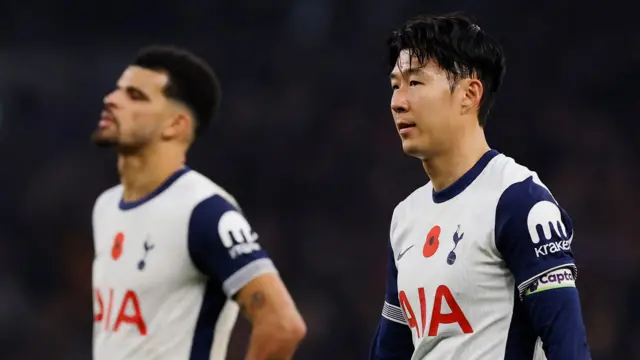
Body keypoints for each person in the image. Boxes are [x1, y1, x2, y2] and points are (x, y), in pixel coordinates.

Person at [369, 13, 591, 360]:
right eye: (395, 85)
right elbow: (392, 349)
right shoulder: (405, 217)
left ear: (469, 94)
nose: (397, 101)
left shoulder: (519, 201)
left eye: (415, 83)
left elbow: (568, 346)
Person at [91, 45, 306, 360]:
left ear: (175, 125)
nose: (111, 99)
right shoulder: (106, 206)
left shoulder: (204, 211)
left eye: (134, 96)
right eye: (118, 89)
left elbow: (282, 325)